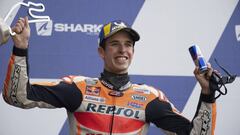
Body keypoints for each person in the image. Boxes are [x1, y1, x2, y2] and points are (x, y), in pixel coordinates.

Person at [3, 16, 217, 135]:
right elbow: (18, 96)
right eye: (114, 44)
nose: (122, 50)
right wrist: (20, 48)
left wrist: (207, 94)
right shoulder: (78, 88)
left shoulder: (149, 98)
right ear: (101, 52)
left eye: (128, 45)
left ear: (132, 51)